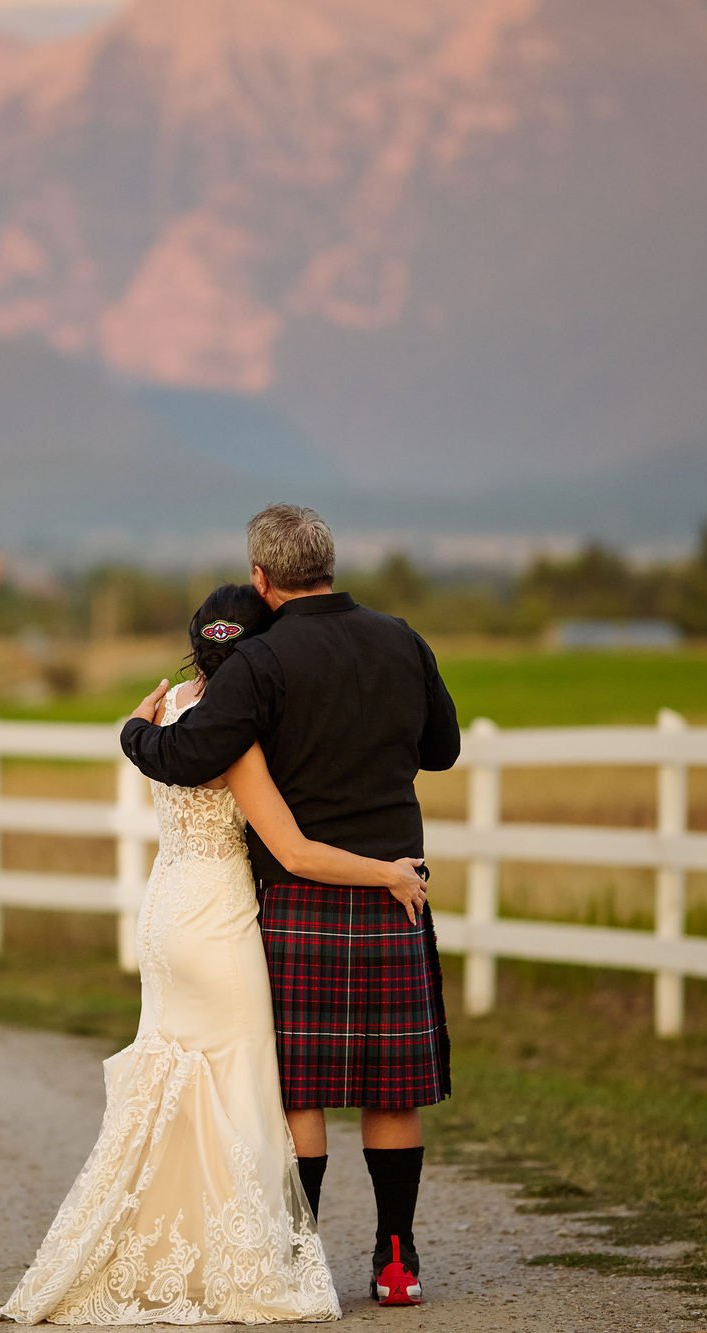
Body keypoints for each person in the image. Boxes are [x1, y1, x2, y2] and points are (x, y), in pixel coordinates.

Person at [0, 583, 430, 1324]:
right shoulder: (238, 733)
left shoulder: (168, 710)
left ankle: (182, 1243)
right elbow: (293, 850)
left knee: (182, 1083)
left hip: (168, 914)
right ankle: (274, 1253)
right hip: (221, 918)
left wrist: (131, 732)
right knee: (250, 1089)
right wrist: (388, 871)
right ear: (256, 648)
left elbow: (163, 753)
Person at [121, 504, 462, 1308]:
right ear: (331, 564)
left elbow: (191, 753)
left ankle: (304, 1256)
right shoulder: (402, 637)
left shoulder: (262, 659)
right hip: (394, 888)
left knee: (300, 1091)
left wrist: (134, 734)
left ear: (264, 580)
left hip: (304, 894)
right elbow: (441, 748)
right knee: (392, 1090)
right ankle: (397, 1261)